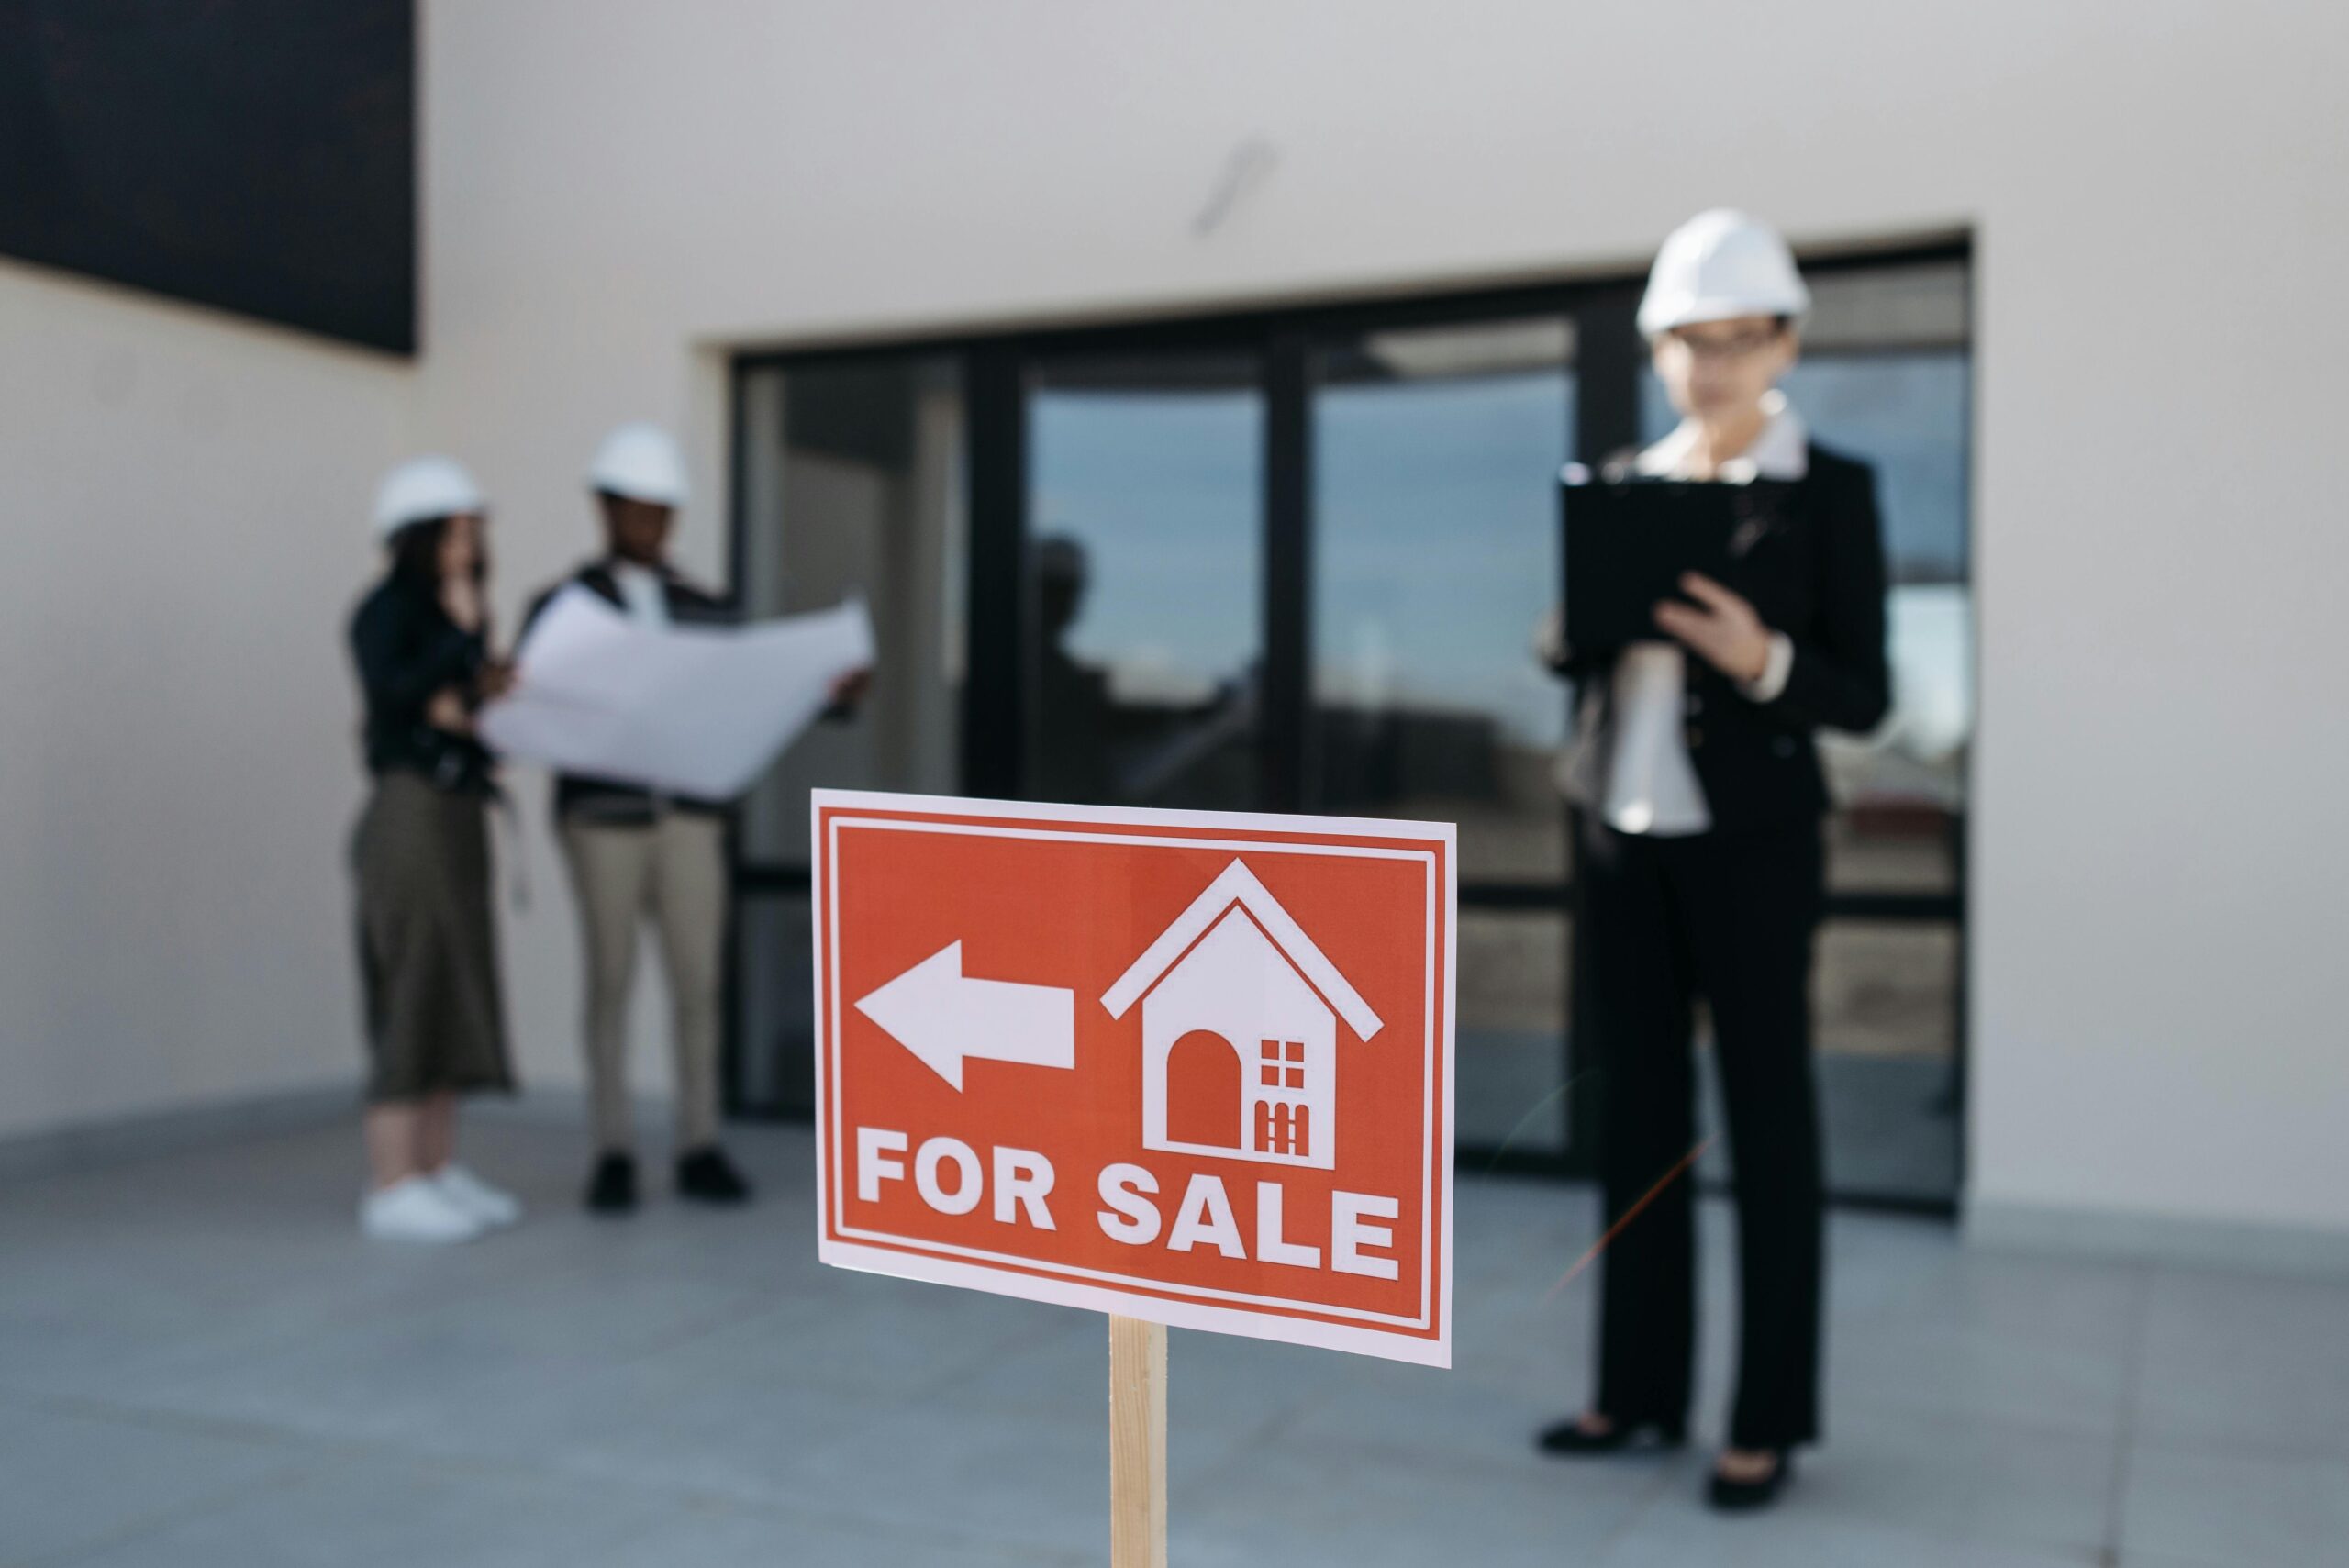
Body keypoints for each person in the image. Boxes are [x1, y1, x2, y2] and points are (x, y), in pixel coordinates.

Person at [1532, 210, 1890, 1511]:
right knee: (1636, 1127)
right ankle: (1635, 1394)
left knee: (1768, 1127)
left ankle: (1765, 1420)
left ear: (1786, 341)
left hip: (1752, 854)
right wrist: (1568, 629)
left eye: (1741, 340)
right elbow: (1582, 665)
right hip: (1621, 844)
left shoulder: (1830, 489)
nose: (1715, 366)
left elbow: (1865, 694)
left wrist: (1765, 662)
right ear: (1657, 349)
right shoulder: (1626, 481)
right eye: (1691, 341)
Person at [528, 422, 863, 1214]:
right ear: (605, 509)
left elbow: (750, 697)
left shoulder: (708, 609)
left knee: (698, 985)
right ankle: (612, 1149)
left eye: (662, 511)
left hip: (690, 822)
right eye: (635, 508)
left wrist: (826, 695)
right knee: (609, 983)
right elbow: (532, 701)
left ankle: (698, 1142)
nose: (649, 525)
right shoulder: (562, 607)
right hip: (604, 820)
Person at [348, 457, 525, 1243]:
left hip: (458, 812)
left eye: (471, 531)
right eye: (450, 531)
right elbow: (395, 692)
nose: (465, 545)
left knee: (457, 982)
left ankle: (436, 1168)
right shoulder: (384, 611)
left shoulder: (462, 614)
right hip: (410, 813)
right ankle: (392, 1183)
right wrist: (460, 646)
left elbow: (458, 705)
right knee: (413, 983)